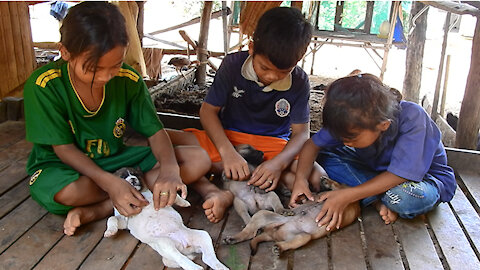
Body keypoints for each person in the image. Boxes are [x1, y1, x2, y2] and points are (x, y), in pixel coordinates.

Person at [23, 2, 211, 236]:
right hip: (63, 166)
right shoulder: (45, 85)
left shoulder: (128, 79)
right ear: (65, 52)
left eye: (114, 66)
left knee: (199, 159)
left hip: (117, 162)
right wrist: (110, 183)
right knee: (68, 192)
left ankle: (103, 207)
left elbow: (155, 131)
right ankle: (124, 192)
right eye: (93, 69)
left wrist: (170, 170)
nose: (105, 77)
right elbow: (63, 149)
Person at [166, 7, 327, 223]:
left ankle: (223, 188)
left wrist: (277, 164)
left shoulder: (299, 80)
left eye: (282, 72)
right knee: (166, 140)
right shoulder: (232, 64)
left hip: (271, 147)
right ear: (251, 48)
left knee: (316, 175)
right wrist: (228, 153)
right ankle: (224, 188)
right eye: (264, 67)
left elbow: (301, 134)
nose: (271, 76)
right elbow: (208, 112)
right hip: (226, 139)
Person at [290, 74, 457, 231]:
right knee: (324, 156)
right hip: (374, 171)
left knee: (405, 199)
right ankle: (375, 198)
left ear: (383, 125)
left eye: (351, 139)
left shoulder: (414, 117)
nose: (345, 142)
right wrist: (300, 180)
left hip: (419, 181)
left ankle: (367, 193)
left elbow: (401, 175)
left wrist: (347, 195)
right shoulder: (349, 120)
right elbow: (311, 145)